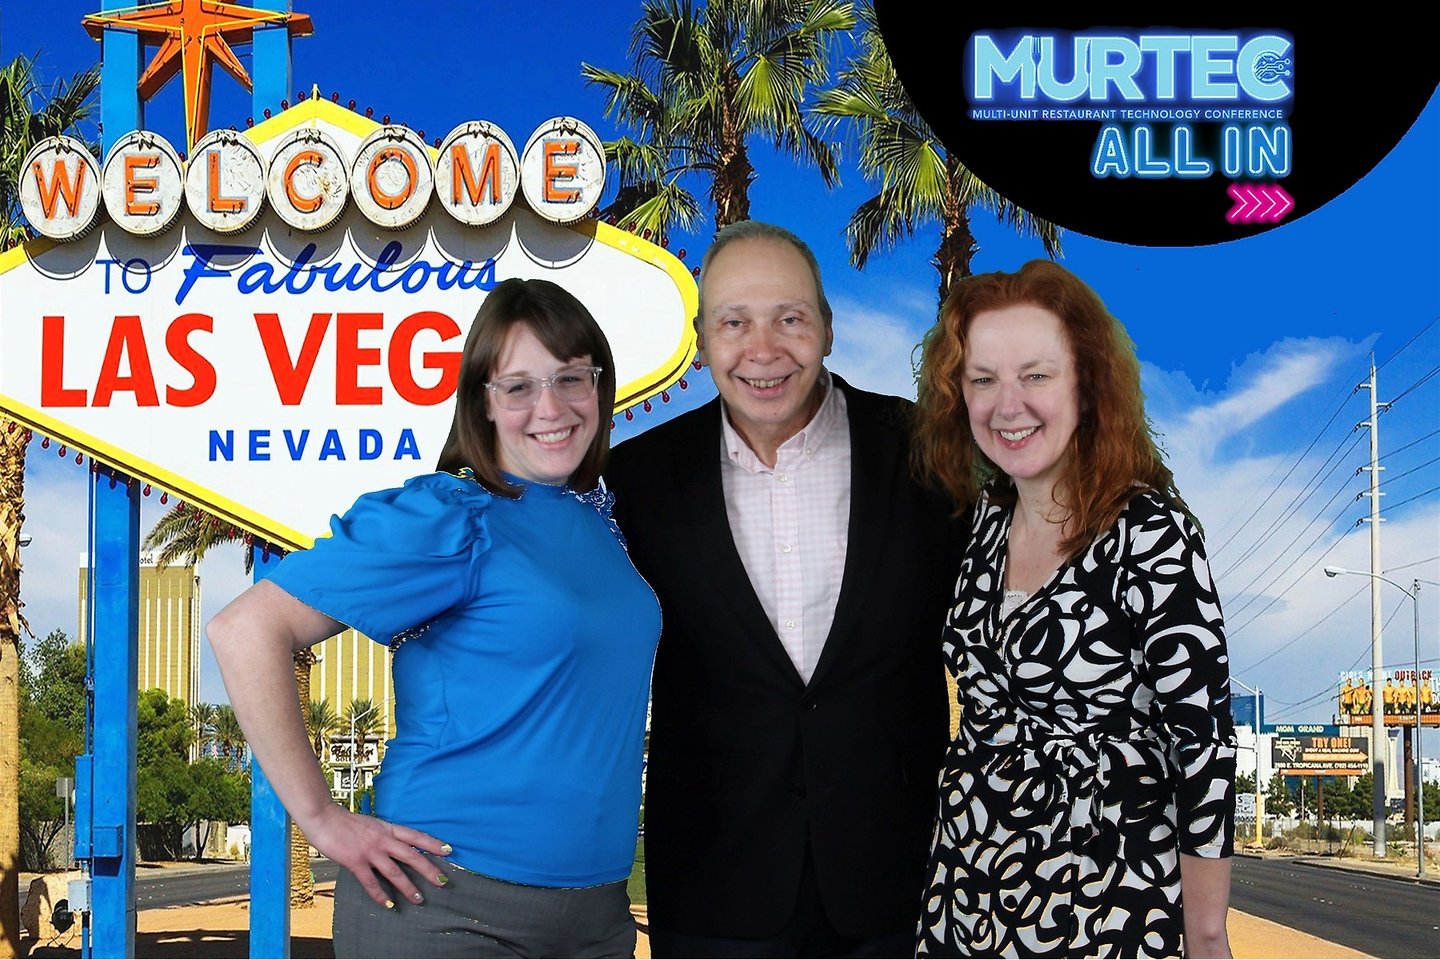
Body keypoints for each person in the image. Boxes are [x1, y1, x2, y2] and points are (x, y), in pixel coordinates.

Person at [207, 278, 661, 958]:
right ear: (481, 402)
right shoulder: (452, 515)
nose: (552, 406)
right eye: (518, 386)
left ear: (600, 384)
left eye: (571, 377)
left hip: (596, 918)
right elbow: (244, 630)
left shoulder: (604, 525)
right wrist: (322, 819)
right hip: (446, 907)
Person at [605, 220, 959, 958]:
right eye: (734, 322)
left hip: (901, 888)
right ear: (702, 341)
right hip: (712, 891)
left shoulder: (935, 455)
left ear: (827, 329)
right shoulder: (634, 481)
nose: (762, 349)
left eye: (789, 319)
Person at [910, 260, 1237, 959]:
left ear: (1087, 384)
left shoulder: (1151, 533)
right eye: (982, 379)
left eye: (1035, 375)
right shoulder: (980, 528)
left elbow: (1203, 749)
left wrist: (1207, 934)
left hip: (1110, 899)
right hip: (968, 893)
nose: (1007, 405)